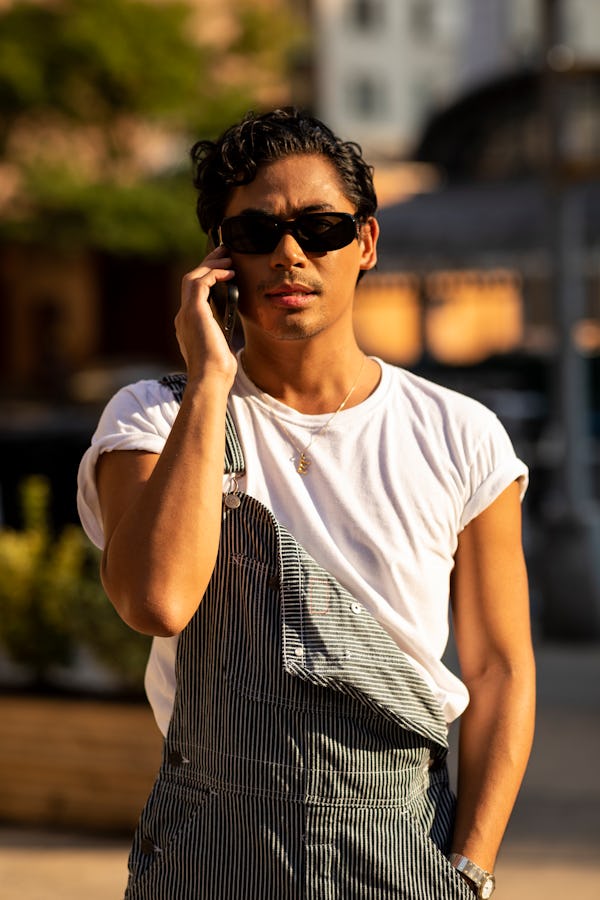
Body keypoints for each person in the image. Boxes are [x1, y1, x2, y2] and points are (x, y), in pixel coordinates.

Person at [77, 107, 535, 899]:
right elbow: (156, 601)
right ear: (221, 259)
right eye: (255, 233)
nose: (290, 254)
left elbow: (498, 668)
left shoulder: (462, 435)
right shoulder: (156, 416)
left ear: (365, 243)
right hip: (208, 851)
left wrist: (471, 869)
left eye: (319, 227)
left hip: (404, 847)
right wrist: (213, 380)